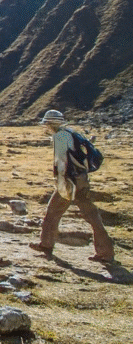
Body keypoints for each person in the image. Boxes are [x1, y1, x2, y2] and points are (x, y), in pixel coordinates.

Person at [29, 110, 114, 263]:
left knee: (53, 212)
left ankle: (46, 245)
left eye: (47, 124)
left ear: (50, 124)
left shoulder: (60, 137)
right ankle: (106, 252)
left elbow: (61, 163)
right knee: (93, 216)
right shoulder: (71, 133)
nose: (45, 127)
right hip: (82, 179)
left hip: (69, 181)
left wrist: (61, 183)